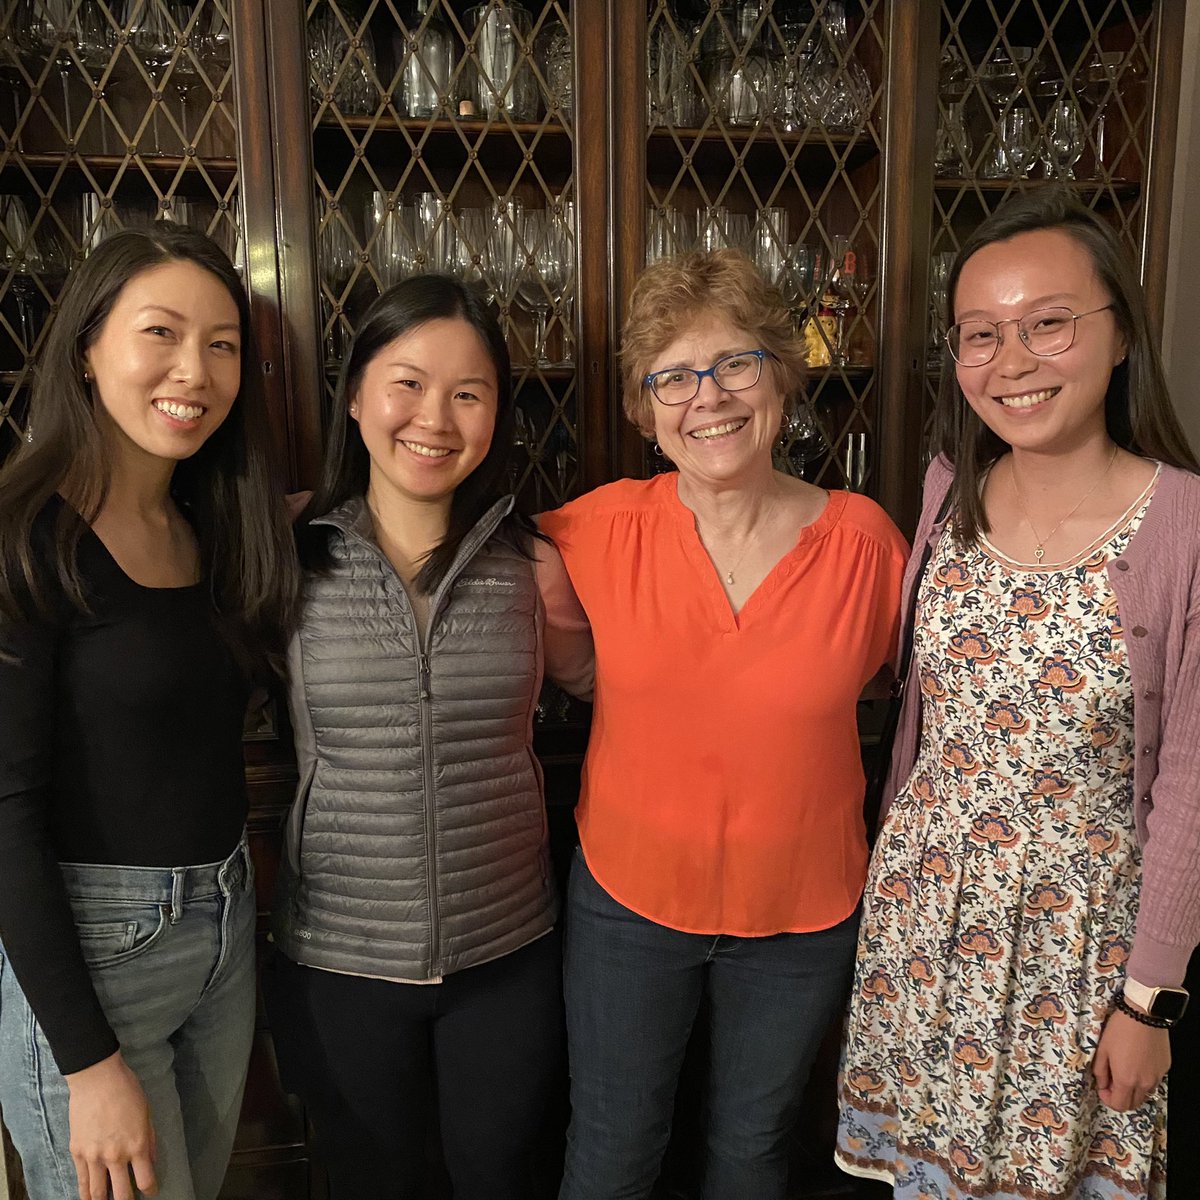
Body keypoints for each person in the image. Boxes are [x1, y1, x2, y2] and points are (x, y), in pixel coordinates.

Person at [836, 189, 1200, 1200]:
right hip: (924, 923)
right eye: (980, 334)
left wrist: (1149, 1001)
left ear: (1120, 331)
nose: (1012, 361)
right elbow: (921, 719)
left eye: (1048, 323)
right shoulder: (948, 490)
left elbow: (1194, 790)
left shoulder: (1187, 526)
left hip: (1078, 951)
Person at [540, 248, 909, 1200]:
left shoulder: (868, 544)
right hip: (628, 902)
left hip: (803, 915)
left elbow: (898, 687)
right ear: (644, 408)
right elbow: (470, 546)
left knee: (753, 1151)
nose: (708, 397)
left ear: (780, 374)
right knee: (614, 1148)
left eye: (735, 363)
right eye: (673, 376)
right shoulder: (593, 529)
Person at [266, 273, 592, 1200]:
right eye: (407, 382)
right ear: (359, 394)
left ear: (496, 415)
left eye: (468, 393)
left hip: (508, 956)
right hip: (339, 960)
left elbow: (613, 686)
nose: (434, 419)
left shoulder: (533, 564)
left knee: (502, 1181)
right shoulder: (287, 552)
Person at [0, 224, 298, 1200]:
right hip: (96, 957)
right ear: (88, 348)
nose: (195, 370)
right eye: (161, 333)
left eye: (221, 344)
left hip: (222, 932)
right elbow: (3, 817)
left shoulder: (210, 525)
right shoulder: (26, 539)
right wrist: (85, 1066)